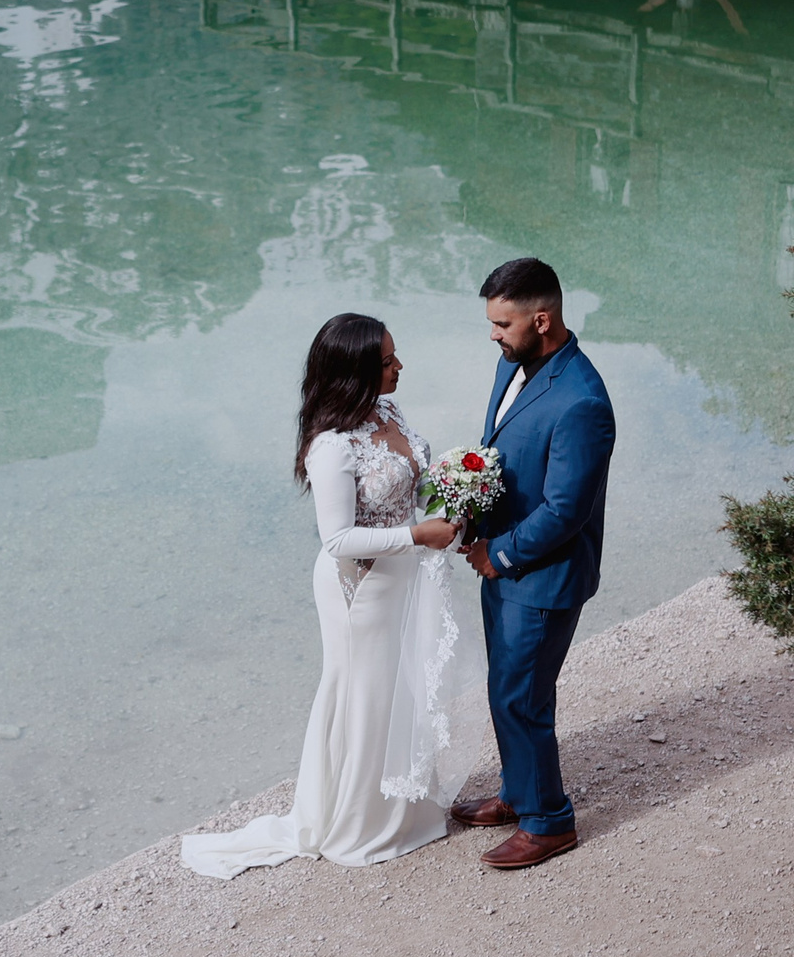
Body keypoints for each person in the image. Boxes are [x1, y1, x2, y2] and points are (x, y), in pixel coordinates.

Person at [180, 314, 481, 879]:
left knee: (402, 687)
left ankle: (407, 806)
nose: (399, 367)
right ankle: (358, 822)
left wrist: (454, 495)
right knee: (363, 692)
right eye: (386, 362)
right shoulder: (331, 447)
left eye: (394, 356)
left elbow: (410, 484)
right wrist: (419, 535)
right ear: (353, 374)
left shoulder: (388, 412)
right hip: (359, 586)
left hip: (404, 576)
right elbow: (338, 540)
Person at [451, 257, 615, 869]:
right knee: (506, 689)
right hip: (501, 564)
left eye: (502, 324)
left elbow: (566, 510)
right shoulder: (512, 362)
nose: (492, 336)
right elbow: (501, 449)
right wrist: (470, 505)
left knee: (522, 699)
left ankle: (549, 822)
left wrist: (499, 555)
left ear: (541, 320)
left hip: (541, 576)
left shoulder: (582, 402)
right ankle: (518, 793)